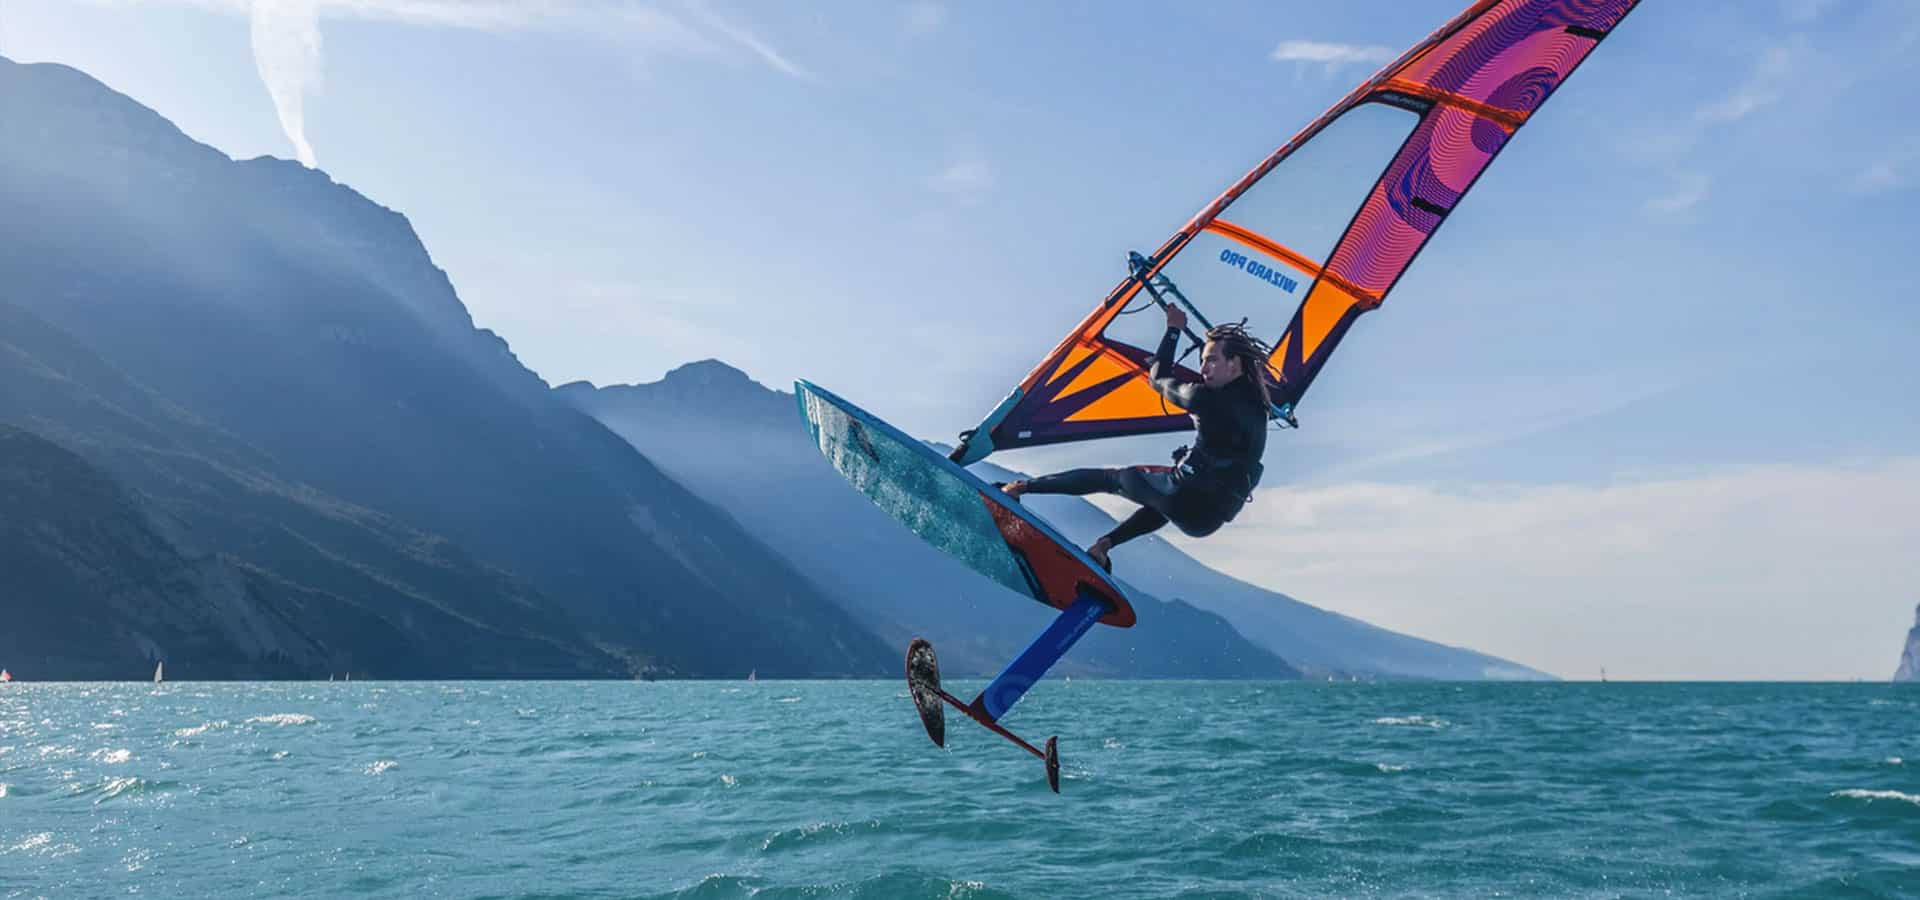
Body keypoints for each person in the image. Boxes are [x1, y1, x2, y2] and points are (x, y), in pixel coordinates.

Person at [1000, 304, 1272, 571]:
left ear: (1235, 364)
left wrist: (1173, 330)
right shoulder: (1261, 411)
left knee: (1112, 479)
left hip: (1182, 493)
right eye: (1202, 361)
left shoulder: (1205, 397)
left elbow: (1159, 378)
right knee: (1164, 503)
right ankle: (1103, 546)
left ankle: (1018, 488)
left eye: (1211, 360)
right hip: (1206, 521)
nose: (1203, 369)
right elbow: (1228, 452)